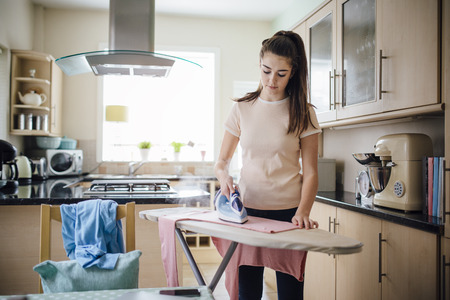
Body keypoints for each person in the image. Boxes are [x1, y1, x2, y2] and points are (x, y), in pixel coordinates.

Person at [214, 30, 322, 300]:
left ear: (293, 71)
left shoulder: (304, 113)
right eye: (266, 71)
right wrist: (224, 177)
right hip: (247, 214)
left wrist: (304, 211)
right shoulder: (242, 108)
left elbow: (310, 173)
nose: (272, 80)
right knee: (247, 292)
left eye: (281, 73)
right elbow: (222, 161)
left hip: (289, 215)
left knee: (290, 293)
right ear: (259, 65)